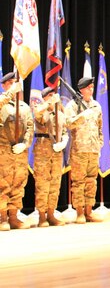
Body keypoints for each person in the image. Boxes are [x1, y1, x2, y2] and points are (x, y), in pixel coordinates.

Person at [65, 77, 103, 224]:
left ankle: (89, 211)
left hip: (93, 149)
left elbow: (100, 127)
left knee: (91, 181)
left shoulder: (96, 106)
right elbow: (68, 123)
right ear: (81, 89)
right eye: (88, 88)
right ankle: (79, 212)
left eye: (92, 87)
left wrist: (100, 144)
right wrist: (81, 116)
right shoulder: (72, 106)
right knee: (78, 182)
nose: (91, 90)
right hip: (79, 150)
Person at [0, 72, 34, 231]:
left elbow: (30, 127)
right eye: (10, 83)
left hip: (19, 153)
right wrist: (9, 93)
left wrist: (25, 144)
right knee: (2, 184)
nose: (13, 86)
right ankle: (2, 218)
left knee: (18, 183)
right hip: (3, 152)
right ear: (4, 85)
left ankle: (13, 216)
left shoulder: (24, 106)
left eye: (15, 83)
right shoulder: (2, 102)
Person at [33, 87, 69, 227]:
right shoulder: (40, 109)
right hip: (43, 149)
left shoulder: (60, 113)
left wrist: (64, 141)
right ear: (44, 97)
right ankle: (42, 216)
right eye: (49, 95)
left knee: (55, 182)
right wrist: (48, 104)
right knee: (42, 183)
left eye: (54, 94)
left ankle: (51, 213)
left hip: (57, 151)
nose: (53, 96)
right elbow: (38, 115)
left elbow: (64, 130)